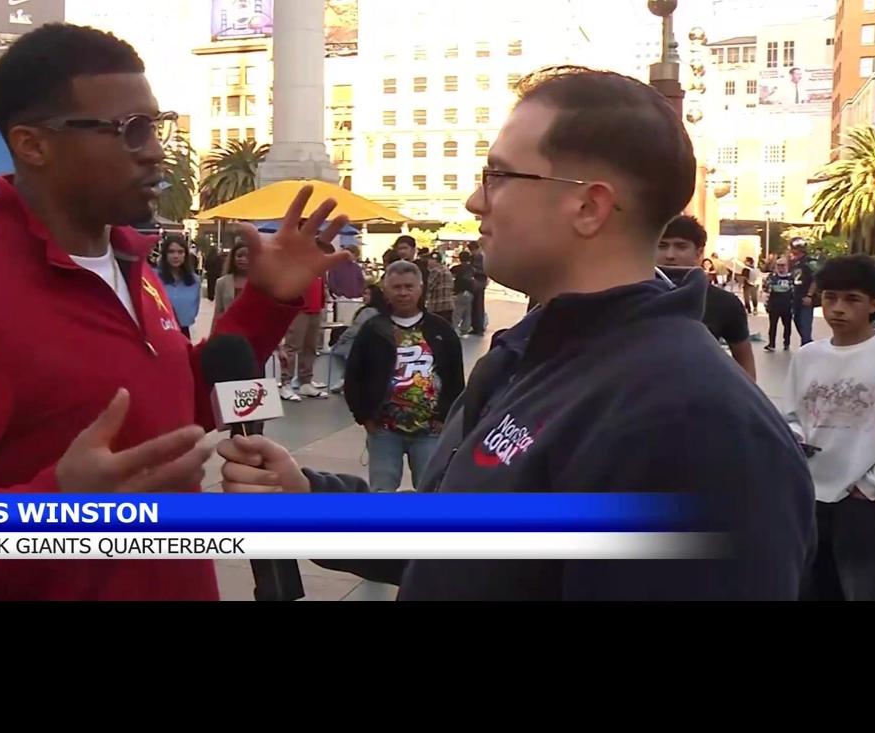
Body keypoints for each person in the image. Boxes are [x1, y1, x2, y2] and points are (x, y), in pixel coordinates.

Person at [218, 65, 813, 600]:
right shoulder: (525, 356)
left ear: (588, 207)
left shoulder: (695, 425)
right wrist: (309, 501)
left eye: (498, 175)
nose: (476, 199)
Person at [0, 22, 351, 601]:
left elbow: (170, 417)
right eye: (130, 130)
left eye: (155, 126)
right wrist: (62, 511)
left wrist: (266, 303)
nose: (156, 150)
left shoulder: (133, 267)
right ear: (32, 144)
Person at [785, 256, 875, 601]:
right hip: (810, 495)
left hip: (863, 503)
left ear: (873, 303)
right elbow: (793, 415)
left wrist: (868, 486)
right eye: (830, 297)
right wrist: (795, 441)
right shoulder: (807, 356)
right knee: (810, 585)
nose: (838, 308)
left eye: (851, 299)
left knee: (860, 586)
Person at [344, 260, 465, 491]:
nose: (403, 293)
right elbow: (354, 375)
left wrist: (445, 416)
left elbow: (454, 377)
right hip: (383, 429)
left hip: (429, 429)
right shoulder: (373, 329)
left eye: (409, 287)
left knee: (431, 489)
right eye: (396, 287)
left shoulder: (440, 329)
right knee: (382, 489)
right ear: (386, 290)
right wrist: (364, 416)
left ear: (420, 289)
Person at [658, 215, 755, 382]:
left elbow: (744, 360)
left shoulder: (725, 303)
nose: (670, 255)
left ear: (699, 253)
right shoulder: (633, 296)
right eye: (662, 245)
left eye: (681, 246)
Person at [277, 239, 331, 400]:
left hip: (316, 308)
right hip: (299, 309)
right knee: (292, 347)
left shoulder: (319, 262)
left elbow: (322, 283)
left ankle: (305, 381)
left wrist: (324, 298)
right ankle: (285, 382)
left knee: (311, 347)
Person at [158, 233, 202, 338]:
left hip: (183, 332)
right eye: (171, 252)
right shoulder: (154, 278)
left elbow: (194, 308)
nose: (176, 256)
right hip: (159, 331)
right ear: (165, 254)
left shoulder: (194, 281)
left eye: (180, 252)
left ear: (185, 255)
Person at [211, 240, 251, 321]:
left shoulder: (260, 283)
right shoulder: (222, 282)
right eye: (239, 256)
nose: (243, 259)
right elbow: (218, 311)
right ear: (233, 258)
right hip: (228, 329)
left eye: (248, 256)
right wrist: (214, 332)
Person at [789, 238, 819, 346]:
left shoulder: (810, 261)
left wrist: (809, 295)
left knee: (805, 324)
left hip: (805, 297)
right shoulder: (795, 262)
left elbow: (816, 278)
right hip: (796, 297)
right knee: (797, 321)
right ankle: (808, 343)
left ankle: (806, 345)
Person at [764, 257, 796, 351]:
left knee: (787, 326)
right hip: (774, 305)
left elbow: (794, 291)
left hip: (787, 305)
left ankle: (786, 343)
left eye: (783, 265)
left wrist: (793, 305)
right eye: (778, 265)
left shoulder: (791, 277)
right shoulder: (772, 277)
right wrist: (767, 304)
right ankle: (771, 344)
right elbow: (766, 290)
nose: (781, 268)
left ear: (787, 266)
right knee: (772, 325)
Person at [423, 248, 456, 323]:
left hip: (438, 306)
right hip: (448, 305)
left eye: (429, 260)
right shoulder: (446, 269)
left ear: (435, 261)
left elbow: (428, 287)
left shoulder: (435, 271)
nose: (427, 262)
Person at [451, 247, 477, 335]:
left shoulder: (456, 268)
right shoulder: (472, 269)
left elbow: (451, 278)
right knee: (467, 311)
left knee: (457, 312)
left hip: (459, 292)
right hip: (470, 292)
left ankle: (455, 329)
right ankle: (465, 328)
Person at [466, 239, 488, 334]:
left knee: (478, 306)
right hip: (475, 284)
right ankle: (475, 326)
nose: (473, 252)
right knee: (473, 306)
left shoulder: (480, 258)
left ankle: (479, 327)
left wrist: (473, 270)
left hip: (479, 284)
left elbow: (484, 271)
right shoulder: (473, 257)